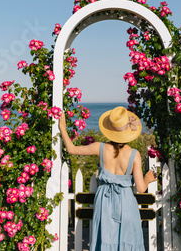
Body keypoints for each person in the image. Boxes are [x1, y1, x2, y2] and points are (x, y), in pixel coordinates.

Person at [59, 105, 156, 251]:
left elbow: (72, 149)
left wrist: (63, 128)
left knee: (104, 241)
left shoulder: (100, 147)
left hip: (104, 202)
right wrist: (148, 178)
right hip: (126, 203)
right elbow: (141, 188)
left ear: (110, 130)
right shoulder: (134, 154)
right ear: (128, 132)